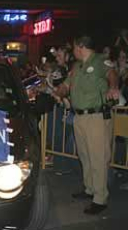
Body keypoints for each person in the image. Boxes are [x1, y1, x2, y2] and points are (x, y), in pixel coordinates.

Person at [53, 35, 119, 215]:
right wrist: (60, 90)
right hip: (80, 117)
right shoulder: (76, 67)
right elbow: (66, 85)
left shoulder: (100, 60)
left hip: (97, 116)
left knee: (98, 157)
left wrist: (113, 87)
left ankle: (100, 198)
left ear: (80, 46)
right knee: (85, 156)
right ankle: (90, 189)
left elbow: (112, 74)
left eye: (74, 47)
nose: (72, 51)